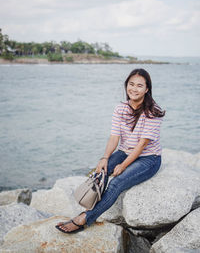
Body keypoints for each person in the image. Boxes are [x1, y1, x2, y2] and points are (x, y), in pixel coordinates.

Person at [55, 68, 165, 233]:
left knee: (116, 183)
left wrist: (123, 166)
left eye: (139, 86)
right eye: (131, 84)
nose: (134, 89)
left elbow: (141, 145)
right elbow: (114, 137)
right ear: (126, 85)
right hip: (124, 152)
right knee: (101, 172)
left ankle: (85, 218)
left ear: (147, 89)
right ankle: (89, 206)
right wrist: (105, 157)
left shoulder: (152, 112)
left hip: (148, 159)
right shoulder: (120, 109)